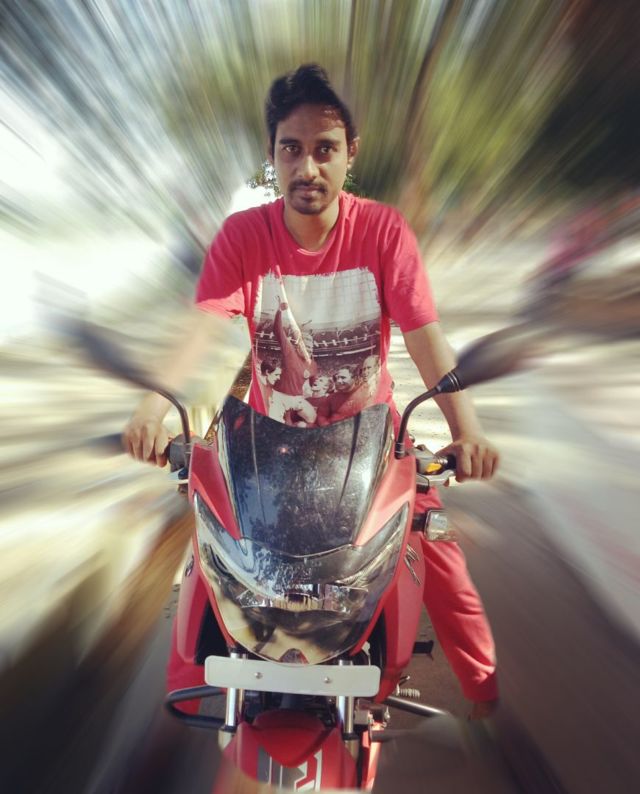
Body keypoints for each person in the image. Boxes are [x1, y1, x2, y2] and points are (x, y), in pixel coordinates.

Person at [123, 64, 499, 718]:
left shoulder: (383, 231)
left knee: (441, 559)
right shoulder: (243, 236)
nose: (307, 167)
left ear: (350, 154)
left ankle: (486, 707)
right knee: (209, 555)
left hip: (369, 442)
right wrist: (149, 410)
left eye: (325, 149)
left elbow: (425, 337)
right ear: (271, 156)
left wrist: (468, 431)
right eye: (291, 149)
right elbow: (197, 331)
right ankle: (189, 699)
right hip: (271, 448)